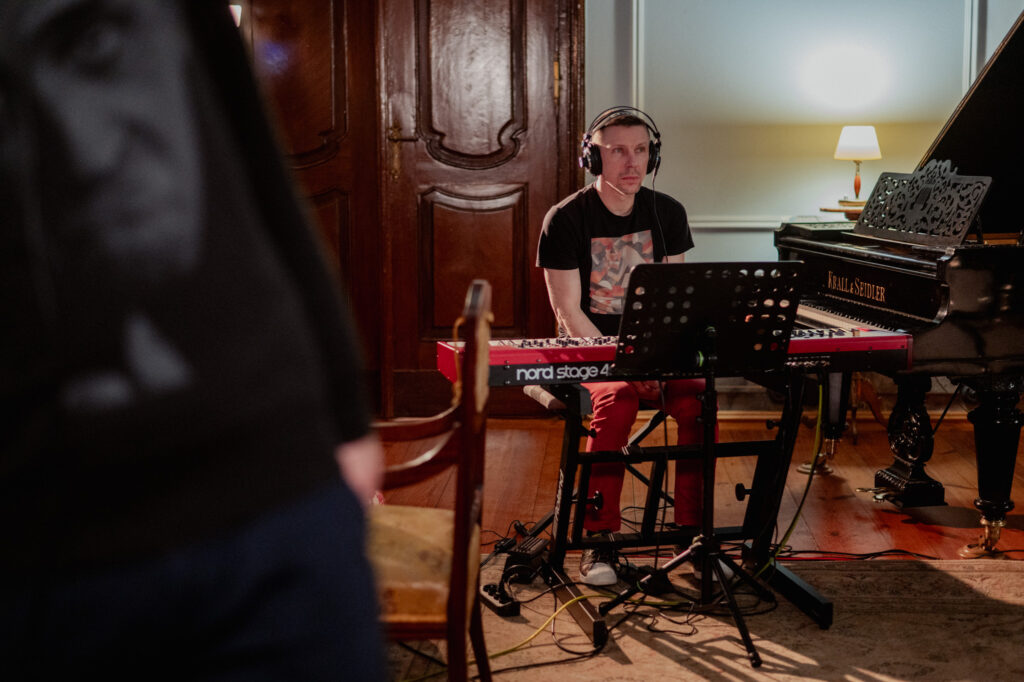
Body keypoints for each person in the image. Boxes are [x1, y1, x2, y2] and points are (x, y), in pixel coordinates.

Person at [0, 1, 385, 679]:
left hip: (279, 494)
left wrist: (346, 417)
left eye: (94, 45)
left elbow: (252, 152)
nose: (88, 152)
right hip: (36, 548)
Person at [536, 106, 708, 586]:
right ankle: (600, 538)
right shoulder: (564, 219)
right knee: (618, 399)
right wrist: (627, 365)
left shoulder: (668, 213)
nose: (632, 162)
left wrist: (656, 359)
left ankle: (692, 533)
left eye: (641, 150)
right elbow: (569, 314)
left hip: (653, 353)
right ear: (593, 158)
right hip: (590, 354)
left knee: (699, 399)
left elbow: (673, 304)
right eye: (617, 151)